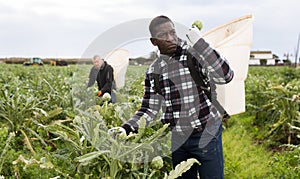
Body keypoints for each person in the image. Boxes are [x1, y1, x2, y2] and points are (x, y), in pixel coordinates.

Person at [116, 15, 234, 178]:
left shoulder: (193, 55)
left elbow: (226, 76)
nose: (171, 38)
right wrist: (126, 128)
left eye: (173, 32)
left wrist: (200, 43)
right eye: (163, 35)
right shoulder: (154, 71)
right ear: (154, 41)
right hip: (179, 140)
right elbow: (148, 110)